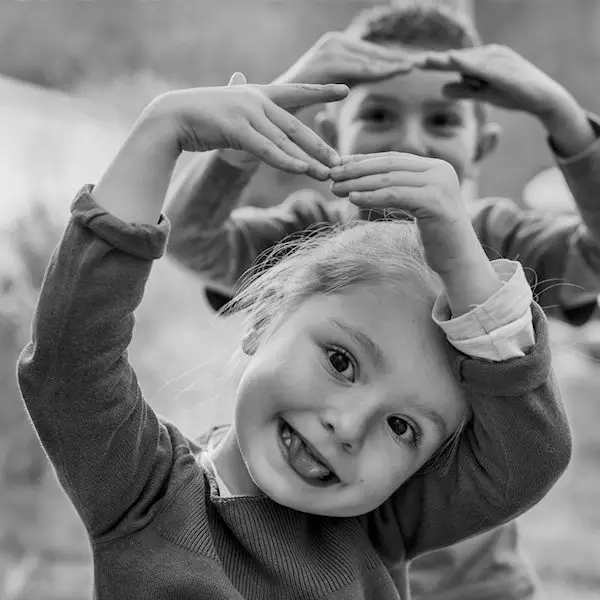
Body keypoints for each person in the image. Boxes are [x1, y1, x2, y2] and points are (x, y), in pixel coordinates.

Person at [17, 72, 571, 599]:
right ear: (263, 321)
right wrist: (162, 128)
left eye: (402, 427)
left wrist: (469, 272)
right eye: (340, 360)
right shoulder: (144, 491)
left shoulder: (381, 527)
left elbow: (530, 457)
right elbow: (71, 363)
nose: (348, 426)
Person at [164, 3, 600, 599]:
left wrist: (564, 117)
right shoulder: (311, 237)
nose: (409, 139)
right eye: (377, 113)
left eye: (443, 120)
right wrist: (263, 116)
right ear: (333, 129)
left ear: (484, 142)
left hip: (473, 589)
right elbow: (192, 241)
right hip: (324, 578)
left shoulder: (496, 248)